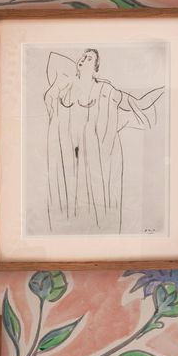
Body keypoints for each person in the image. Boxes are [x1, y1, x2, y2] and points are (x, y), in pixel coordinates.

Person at [41, 48, 164, 234]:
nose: (83, 59)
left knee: (96, 206)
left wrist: (165, 90)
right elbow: (50, 101)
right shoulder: (64, 85)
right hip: (67, 160)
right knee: (68, 204)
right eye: (83, 56)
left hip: (96, 162)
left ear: (96, 67)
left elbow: (139, 103)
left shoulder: (107, 91)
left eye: (89, 58)